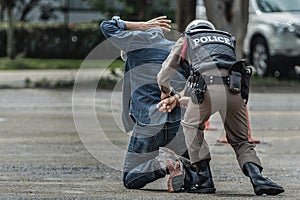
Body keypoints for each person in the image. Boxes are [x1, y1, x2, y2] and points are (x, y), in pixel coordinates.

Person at [156, 19, 285, 196]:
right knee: (241, 141)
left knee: (191, 126)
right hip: (235, 89)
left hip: (205, 88)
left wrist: (166, 92)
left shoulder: (189, 37)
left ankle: (205, 180)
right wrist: (178, 99)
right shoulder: (226, 38)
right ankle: (257, 178)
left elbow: (164, 73)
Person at [100, 16, 200, 193]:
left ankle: (164, 163)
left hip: (148, 122)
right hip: (177, 121)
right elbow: (191, 86)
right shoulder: (174, 50)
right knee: (194, 178)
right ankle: (186, 170)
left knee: (130, 178)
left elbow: (107, 25)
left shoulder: (135, 43)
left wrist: (140, 25)